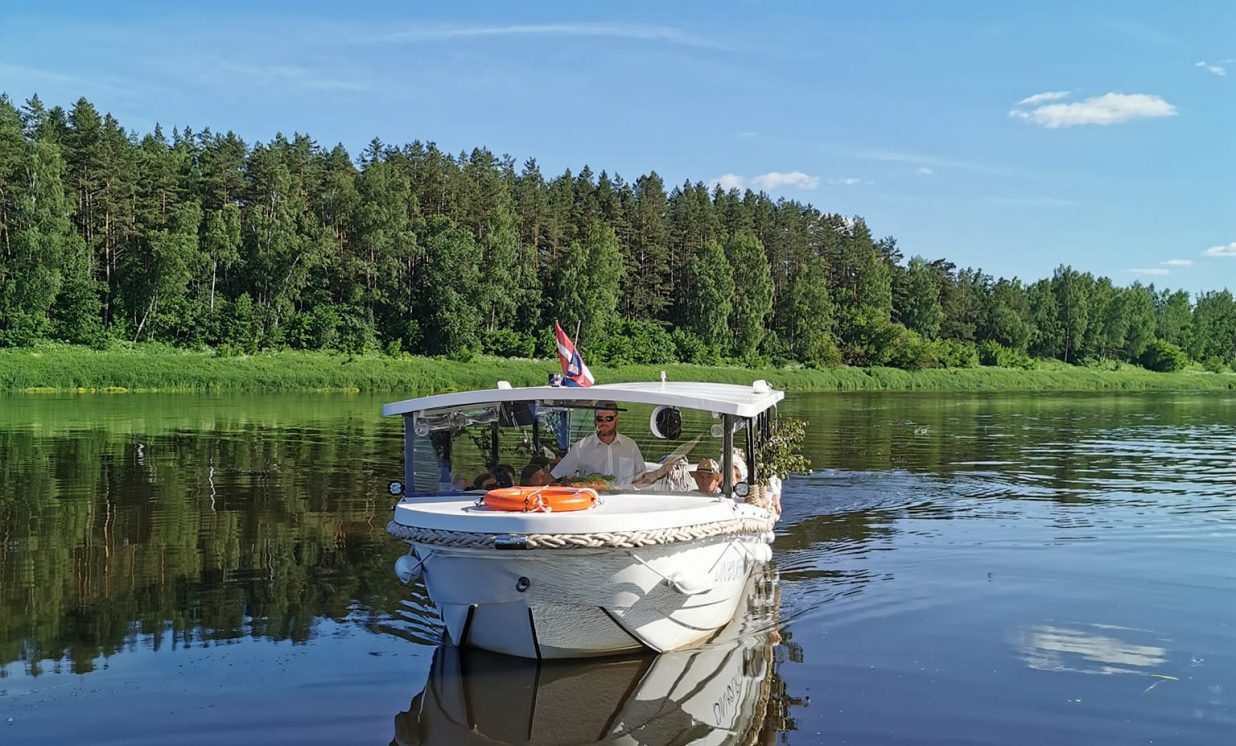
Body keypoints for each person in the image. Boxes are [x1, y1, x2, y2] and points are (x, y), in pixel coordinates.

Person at [550, 401, 646, 488]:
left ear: (617, 420)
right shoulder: (580, 447)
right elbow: (555, 475)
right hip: (593, 499)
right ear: (594, 421)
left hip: (625, 498)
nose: (604, 422)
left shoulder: (630, 445)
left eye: (609, 418)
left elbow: (642, 478)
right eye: (599, 419)